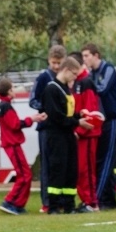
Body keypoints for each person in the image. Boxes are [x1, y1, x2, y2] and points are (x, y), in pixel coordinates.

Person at [41, 57, 94, 213]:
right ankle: (54, 206)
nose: (75, 78)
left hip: (68, 135)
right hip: (56, 136)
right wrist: (78, 123)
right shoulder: (51, 89)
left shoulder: (65, 88)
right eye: (74, 74)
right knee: (58, 170)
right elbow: (57, 116)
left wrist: (79, 115)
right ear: (66, 70)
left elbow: (67, 114)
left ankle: (69, 205)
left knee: (71, 171)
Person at [0, 78, 47, 215]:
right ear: (8, 91)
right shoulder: (5, 107)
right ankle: (9, 201)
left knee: (26, 174)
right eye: (13, 88)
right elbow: (15, 124)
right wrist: (32, 119)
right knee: (24, 175)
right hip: (12, 144)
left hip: (13, 144)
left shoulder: (4, 105)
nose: (15, 91)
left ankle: (18, 204)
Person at [82, 43, 116, 210]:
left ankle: (95, 200)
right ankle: (109, 200)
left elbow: (102, 89)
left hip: (112, 120)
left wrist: (86, 78)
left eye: (86, 56)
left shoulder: (108, 69)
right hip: (101, 121)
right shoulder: (93, 73)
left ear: (96, 55)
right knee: (102, 160)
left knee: (105, 160)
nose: (85, 59)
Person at [29, 45, 67, 213]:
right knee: (47, 165)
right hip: (46, 127)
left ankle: (60, 200)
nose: (56, 66)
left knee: (61, 165)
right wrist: (45, 108)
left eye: (59, 63)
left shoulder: (66, 78)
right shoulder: (43, 77)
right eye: (54, 63)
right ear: (49, 60)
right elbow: (32, 100)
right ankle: (46, 201)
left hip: (62, 127)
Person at [68, 52, 102, 213]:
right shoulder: (77, 82)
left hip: (88, 134)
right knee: (81, 169)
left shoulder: (86, 82)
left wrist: (80, 130)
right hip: (81, 133)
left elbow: (91, 110)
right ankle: (85, 200)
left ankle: (91, 202)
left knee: (86, 169)